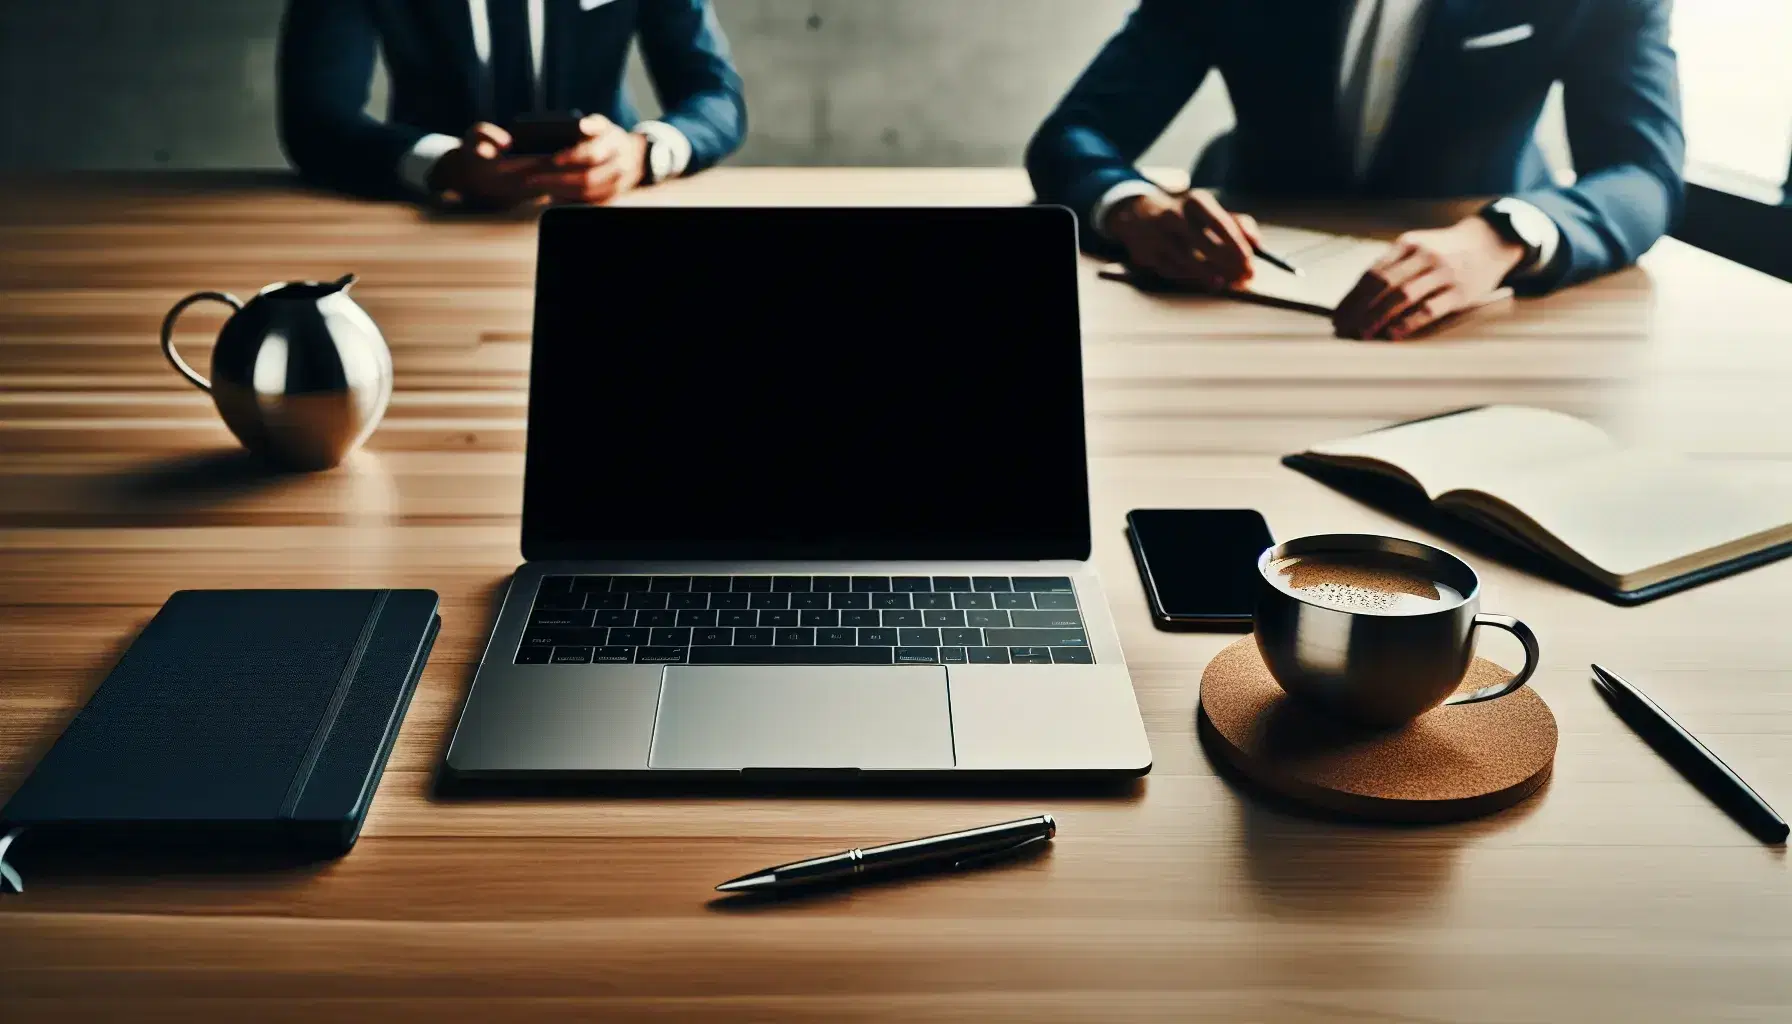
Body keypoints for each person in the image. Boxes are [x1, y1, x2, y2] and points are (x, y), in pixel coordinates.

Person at [1027, 0, 1685, 340]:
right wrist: (1133, 208)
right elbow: (1073, 134)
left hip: (1479, 307)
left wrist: (1505, 235)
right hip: (1238, 297)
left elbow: (1643, 171)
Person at [277, 0, 746, 206]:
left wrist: (640, 154)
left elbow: (717, 95)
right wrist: (441, 165)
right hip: (425, 223)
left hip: (603, 216)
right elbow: (315, 117)